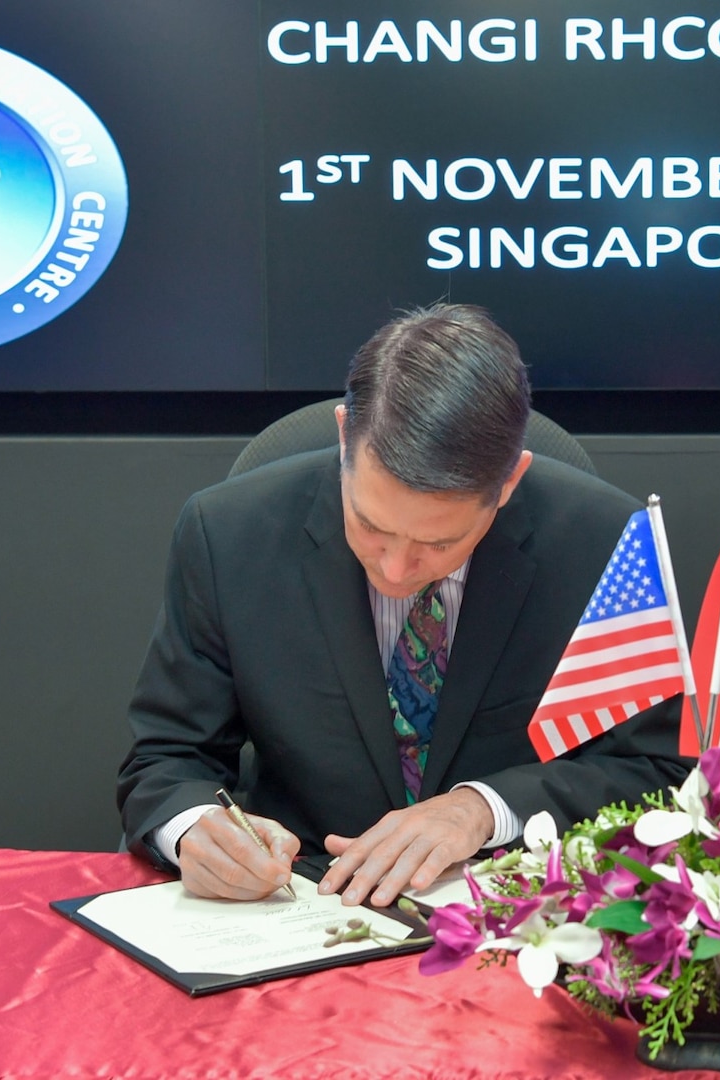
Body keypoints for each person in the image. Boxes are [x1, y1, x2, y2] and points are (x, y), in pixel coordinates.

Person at [118, 304, 686, 906]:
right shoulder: (228, 534)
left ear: (510, 483)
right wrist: (193, 832)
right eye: (370, 525)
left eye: (439, 543)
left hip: (511, 908)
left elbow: (656, 772)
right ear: (344, 437)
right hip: (300, 902)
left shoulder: (607, 543)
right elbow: (167, 758)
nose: (394, 569)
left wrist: (483, 809)